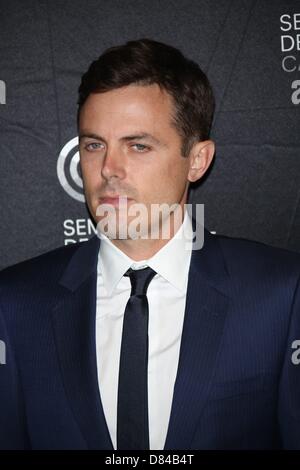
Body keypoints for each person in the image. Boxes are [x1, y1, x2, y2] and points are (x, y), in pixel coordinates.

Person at [0, 38, 300, 450]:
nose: (108, 169)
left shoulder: (281, 295)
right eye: (93, 145)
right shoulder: (15, 304)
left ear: (197, 160)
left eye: (138, 146)